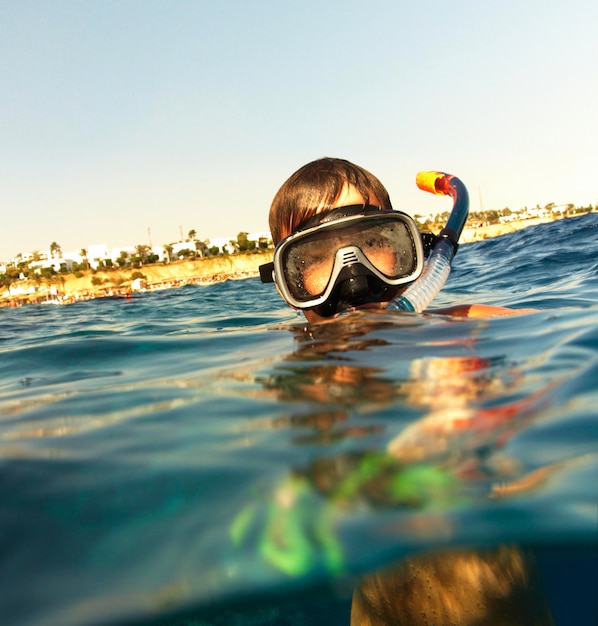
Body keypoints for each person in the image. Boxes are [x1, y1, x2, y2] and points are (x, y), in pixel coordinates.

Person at [260, 157, 533, 324]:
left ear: (407, 251)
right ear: (286, 288)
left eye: (372, 244)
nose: (355, 282)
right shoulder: (269, 359)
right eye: (316, 258)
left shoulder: (461, 325)